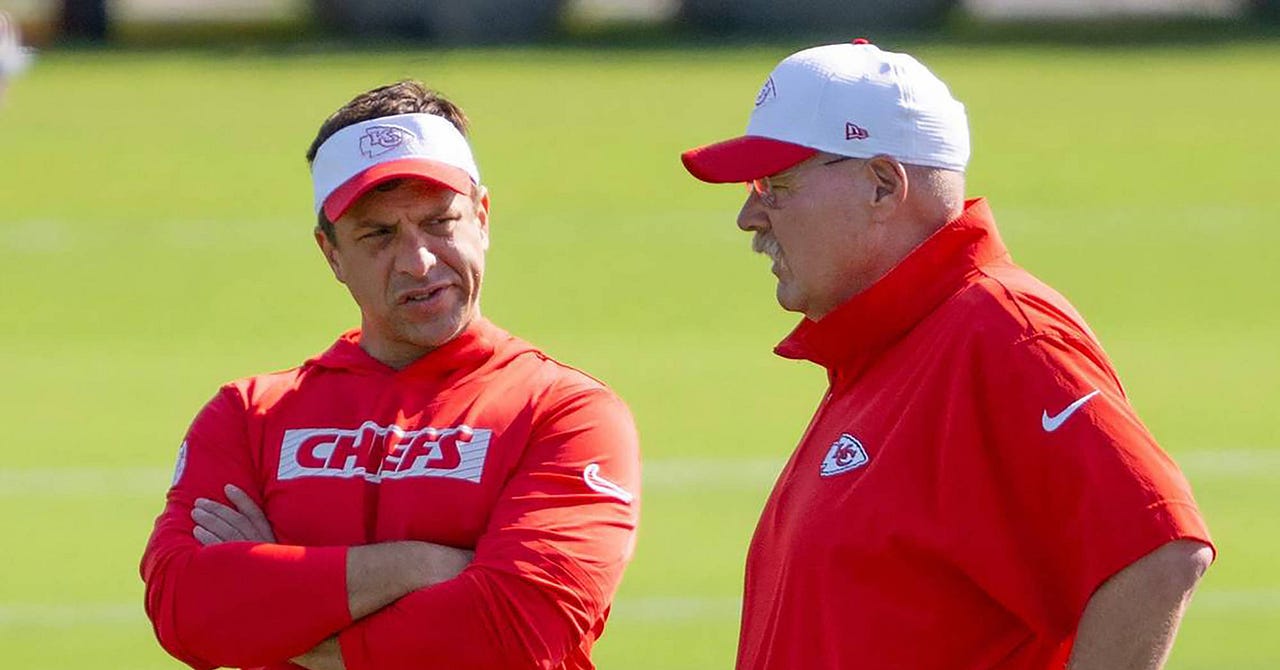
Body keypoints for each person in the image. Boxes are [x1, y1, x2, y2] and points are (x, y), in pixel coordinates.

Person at [680, 41, 1213, 670]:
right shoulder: (891, 346)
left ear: (882, 185)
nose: (750, 217)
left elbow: (1157, 548)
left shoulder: (1001, 333)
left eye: (775, 185)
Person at [141, 81, 641, 670]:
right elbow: (185, 610)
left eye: (440, 222)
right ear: (331, 253)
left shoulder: (565, 412)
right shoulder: (249, 416)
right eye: (378, 234)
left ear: (482, 218)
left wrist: (287, 608)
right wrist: (419, 565)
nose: (419, 262)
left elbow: (518, 628)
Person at [0, 11, 34, 104]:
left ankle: (2, 96)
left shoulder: (2, 18)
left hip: (4, 53)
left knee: (3, 76)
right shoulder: (4, 17)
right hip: (7, 52)